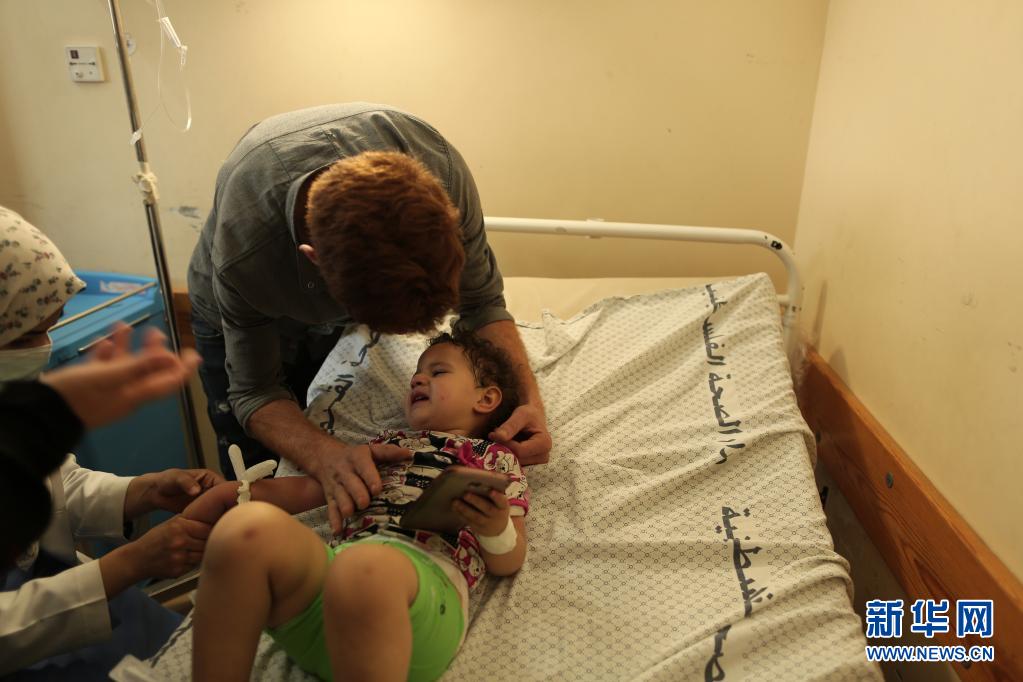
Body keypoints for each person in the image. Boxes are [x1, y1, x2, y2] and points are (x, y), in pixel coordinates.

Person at [187, 102, 551, 533]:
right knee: (254, 489)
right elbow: (254, 391)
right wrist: (326, 456)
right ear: (315, 261)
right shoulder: (246, 255)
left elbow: (484, 304)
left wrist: (528, 402)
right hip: (238, 306)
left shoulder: (444, 171)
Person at [183, 330, 530, 681]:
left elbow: (509, 561)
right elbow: (311, 489)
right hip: (334, 597)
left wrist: (494, 527)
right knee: (244, 530)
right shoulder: (385, 445)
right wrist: (237, 494)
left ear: (486, 398)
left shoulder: (494, 460)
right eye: (416, 374)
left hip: (419, 614)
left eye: (437, 372)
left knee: (362, 570)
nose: (417, 379)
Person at [0, 206, 223, 678]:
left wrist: (141, 491)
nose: (44, 347)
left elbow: (54, 481)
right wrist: (126, 566)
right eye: (27, 336)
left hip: (65, 592)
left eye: (51, 328)